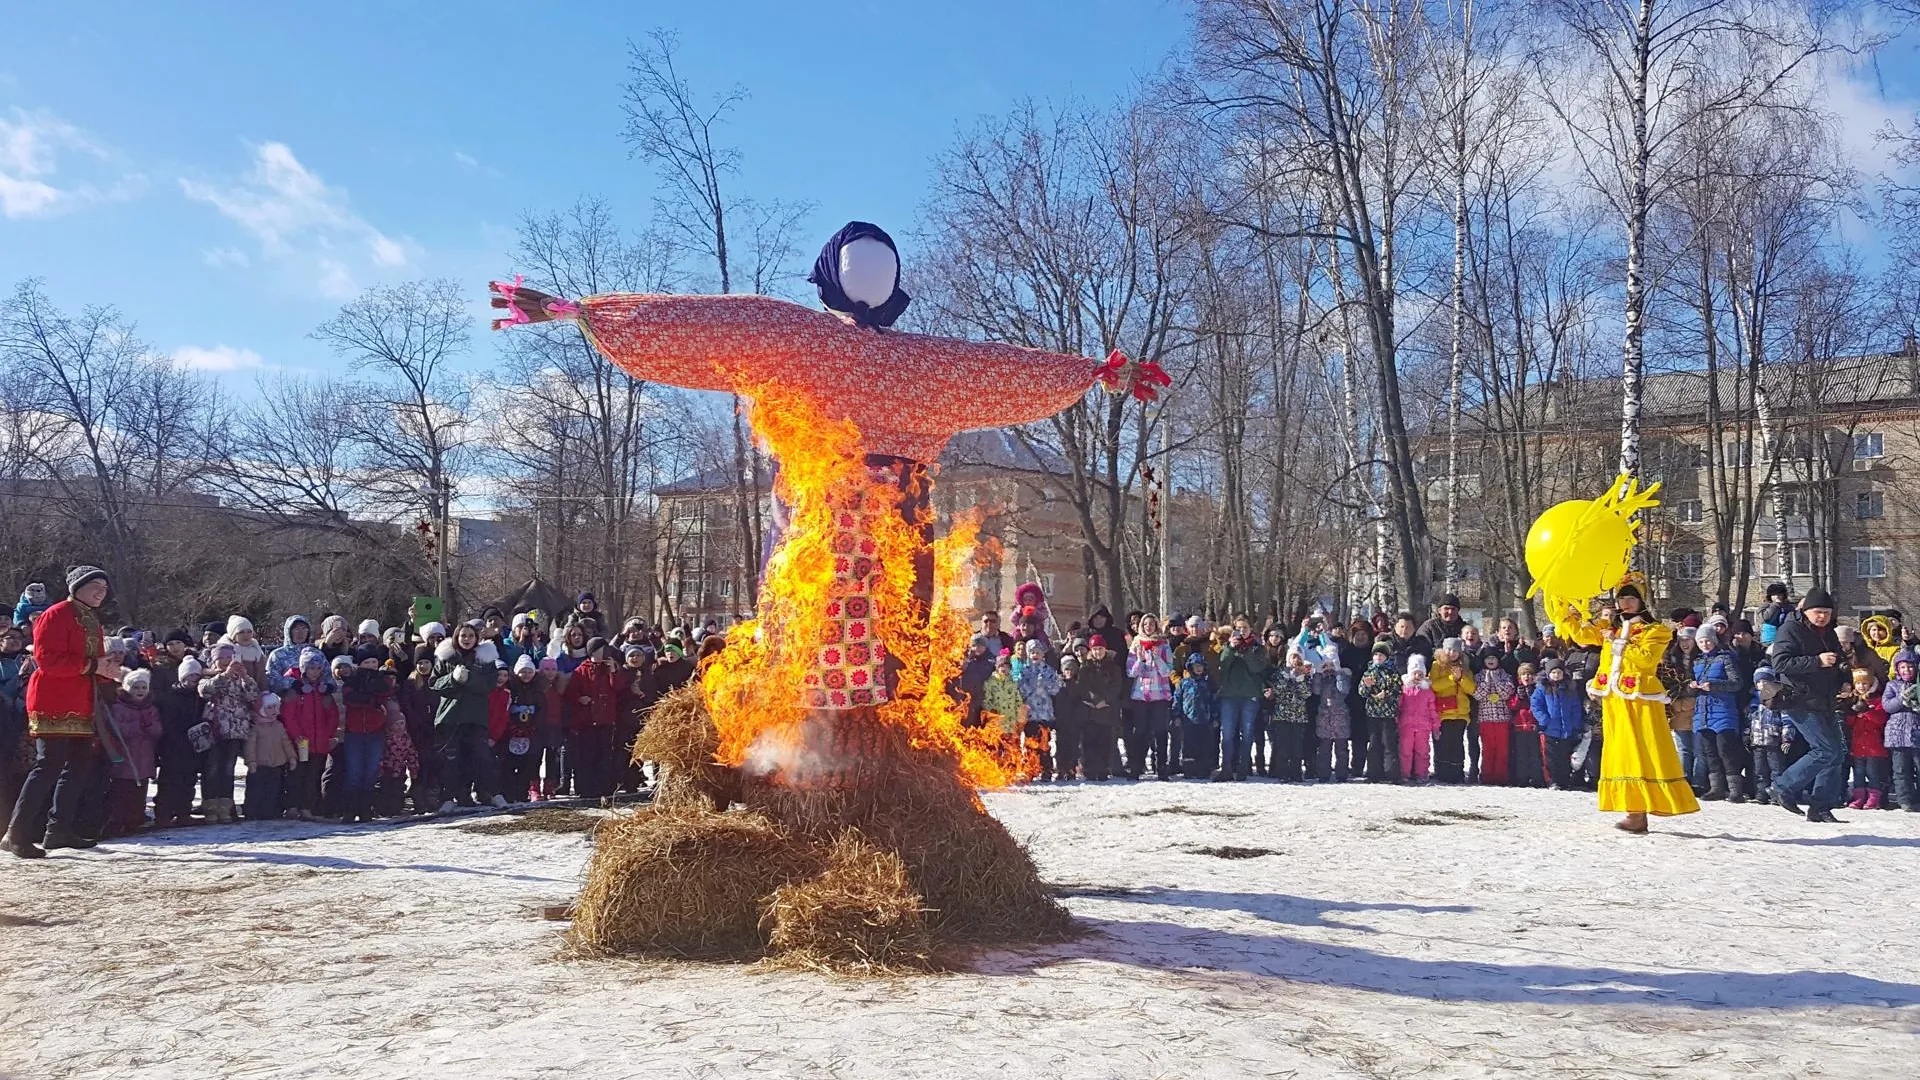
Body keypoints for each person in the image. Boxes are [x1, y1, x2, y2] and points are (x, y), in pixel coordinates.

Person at [1558, 579, 1699, 833]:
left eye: (1631, 598)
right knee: (1621, 752)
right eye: (1622, 598)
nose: (1626, 603)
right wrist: (1565, 609)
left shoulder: (1655, 630)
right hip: (1615, 699)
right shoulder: (1608, 625)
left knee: (1643, 750)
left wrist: (1617, 641)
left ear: (1641, 600)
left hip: (1641, 699)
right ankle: (1633, 810)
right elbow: (1581, 635)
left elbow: (1646, 659)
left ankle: (1644, 808)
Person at [6, 566, 121, 858]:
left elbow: (91, 661)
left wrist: (110, 673)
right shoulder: (55, 614)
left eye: (104, 588)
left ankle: (58, 830)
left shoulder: (90, 619)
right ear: (76, 587)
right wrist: (95, 667)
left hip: (80, 699)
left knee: (79, 764)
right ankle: (16, 832)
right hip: (53, 698)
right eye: (94, 585)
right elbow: (48, 660)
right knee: (49, 765)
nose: (100, 592)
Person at [1766, 588, 1850, 823]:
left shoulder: (1829, 633)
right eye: (1817, 612)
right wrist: (1816, 661)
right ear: (1805, 610)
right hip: (1799, 699)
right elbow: (1780, 663)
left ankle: (1820, 807)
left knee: (1836, 754)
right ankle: (1782, 786)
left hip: (1824, 699)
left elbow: (1840, 661)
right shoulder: (1790, 629)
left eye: (1826, 612)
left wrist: (1845, 681)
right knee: (1825, 750)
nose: (1822, 616)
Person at [433, 625, 505, 812]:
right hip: (451, 716)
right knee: (450, 761)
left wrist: (469, 679)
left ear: (476, 638)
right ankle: (448, 797)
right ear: (457, 637)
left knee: (482, 758)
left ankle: (494, 794)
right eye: (463, 635)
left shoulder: (485, 659)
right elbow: (434, 684)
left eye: (471, 635)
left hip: (475, 718)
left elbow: (489, 684)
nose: (467, 639)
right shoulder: (445, 657)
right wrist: (453, 679)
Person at [197, 644, 256, 826]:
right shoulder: (207, 677)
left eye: (229, 657)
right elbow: (204, 691)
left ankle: (226, 807)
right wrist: (224, 675)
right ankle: (210, 807)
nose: (226, 661)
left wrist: (245, 677)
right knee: (212, 769)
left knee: (228, 769)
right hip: (215, 731)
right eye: (221, 658)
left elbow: (253, 696)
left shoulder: (241, 680)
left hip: (235, 731)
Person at [1689, 624, 1747, 802]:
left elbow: (1737, 683)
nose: (1705, 644)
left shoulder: (1725, 659)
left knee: (1726, 751)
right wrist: (1691, 687)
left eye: (1707, 640)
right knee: (1709, 752)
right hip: (1703, 712)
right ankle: (1716, 788)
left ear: (1714, 641)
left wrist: (1714, 686)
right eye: (1701, 641)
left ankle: (1735, 790)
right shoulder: (1697, 661)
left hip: (1723, 711)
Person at [338, 645, 394, 822]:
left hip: (375, 730)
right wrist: (369, 698)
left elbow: (385, 692)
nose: (371, 665)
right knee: (354, 771)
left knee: (371, 771)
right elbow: (351, 699)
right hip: (354, 731)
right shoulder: (352, 680)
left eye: (374, 662)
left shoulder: (381, 679)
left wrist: (370, 695)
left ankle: (365, 809)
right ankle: (349, 809)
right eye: (367, 662)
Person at [103, 668, 161, 836]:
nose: (140, 691)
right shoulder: (119, 708)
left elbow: (158, 730)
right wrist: (138, 726)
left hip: (144, 757)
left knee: (140, 790)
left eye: (143, 687)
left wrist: (149, 726)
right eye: (136, 687)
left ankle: (135, 820)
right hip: (126, 756)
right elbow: (116, 728)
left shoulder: (151, 709)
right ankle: (117, 820)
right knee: (122, 790)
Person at [152, 656, 205, 828]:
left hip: (191, 744)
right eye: (190, 676)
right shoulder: (170, 697)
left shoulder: (199, 698)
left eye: (197, 677)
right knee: (168, 781)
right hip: (172, 744)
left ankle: (184, 812)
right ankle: (163, 814)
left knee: (188, 780)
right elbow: (166, 721)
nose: (194, 680)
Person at [1215, 618, 1270, 782]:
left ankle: (1243, 769)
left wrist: (1245, 651)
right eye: (1238, 628)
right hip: (1229, 696)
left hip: (1250, 695)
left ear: (1250, 629)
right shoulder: (1227, 647)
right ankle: (1226, 769)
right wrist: (1232, 648)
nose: (1241, 631)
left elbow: (1257, 668)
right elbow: (1223, 665)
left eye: (1244, 628)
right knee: (1228, 734)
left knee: (1247, 734)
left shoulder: (1257, 648)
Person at [1126, 615, 1175, 779]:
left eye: (1151, 624)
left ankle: (1162, 767)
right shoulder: (1136, 643)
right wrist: (1140, 660)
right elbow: (1131, 671)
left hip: (1159, 694)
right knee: (1140, 732)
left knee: (1161, 732)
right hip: (1141, 695)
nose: (1148, 627)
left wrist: (1157, 658)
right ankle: (1136, 767)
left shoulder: (1163, 644)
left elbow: (1168, 671)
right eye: (1145, 624)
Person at [1077, 636, 1127, 781]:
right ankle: (1090, 769)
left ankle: (1104, 768)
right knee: (1089, 741)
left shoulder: (1113, 667)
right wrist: (1095, 699)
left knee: (1105, 741)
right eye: (1095, 649)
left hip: (1107, 709)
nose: (1098, 652)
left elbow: (1117, 686)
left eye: (1100, 649)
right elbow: (1082, 686)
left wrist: (1106, 700)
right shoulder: (1085, 667)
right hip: (1090, 709)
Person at [243, 693, 297, 821]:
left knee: (273, 790)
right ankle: (251, 811)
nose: (274, 711)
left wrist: (292, 757)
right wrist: (251, 761)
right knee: (255, 789)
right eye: (270, 707)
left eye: (276, 707)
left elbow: (286, 742)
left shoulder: (278, 726)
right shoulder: (256, 727)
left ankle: (270, 811)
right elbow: (250, 746)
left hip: (277, 764)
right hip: (260, 764)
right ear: (262, 709)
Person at [1015, 639, 1062, 781]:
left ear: (1043, 654)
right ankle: (1031, 769)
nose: (1035, 655)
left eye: (1038, 652)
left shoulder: (1049, 671)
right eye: (1032, 652)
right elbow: (1020, 691)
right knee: (1030, 743)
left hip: (1045, 713)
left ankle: (1046, 770)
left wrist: (1045, 685)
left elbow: (1056, 690)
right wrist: (1032, 686)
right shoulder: (1024, 671)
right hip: (1030, 713)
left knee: (1044, 743)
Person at [1845, 668, 1890, 810]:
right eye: (1858, 684)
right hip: (1858, 746)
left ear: (1870, 685)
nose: (1861, 687)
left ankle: (1874, 798)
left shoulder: (1877, 701)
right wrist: (1853, 713)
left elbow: (1881, 719)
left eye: (1865, 683)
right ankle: (1859, 797)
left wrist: (1867, 711)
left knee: (1873, 773)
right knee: (1858, 773)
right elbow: (1849, 723)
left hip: (1874, 746)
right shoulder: (1853, 700)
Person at [1430, 639, 1475, 784]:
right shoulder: (1437, 665)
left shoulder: (1465, 667)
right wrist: (1451, 679)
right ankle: (1442, 772)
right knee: (1443, 743)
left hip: (1461, 713)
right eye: (1449, 650)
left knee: (1457, 744)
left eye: (1455, 651)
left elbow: (1472, 689)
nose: (1451, 653)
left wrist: (1461, 678)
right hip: (1444, 712)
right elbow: (1434, 686)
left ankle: (1457, 772)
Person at [1359, 641, 1401, 782]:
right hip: (1372, 713)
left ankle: (1392, 773)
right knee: (1374, 743)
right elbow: (1362, 692)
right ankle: (1373, 773)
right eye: (1376, 654)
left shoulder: (1392, 672)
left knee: (1389, 743)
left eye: (1381, 655)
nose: (1378, 657)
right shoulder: (1368, 672)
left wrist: (1386, 694)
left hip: (1388, 713)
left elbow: (1398, 690)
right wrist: (1368, 687)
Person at [1884, 650, 1920, 812]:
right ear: (1897, 669)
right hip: (1896, 735)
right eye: (1903, 667)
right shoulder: (1892, 685)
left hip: (1916, 734)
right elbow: (1888, 706)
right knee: (1900, 770)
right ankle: (1905, 800)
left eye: (1910, 667)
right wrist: (1902, 698)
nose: (1907, 670)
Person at [1471, 651, 1514, 786]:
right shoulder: (1479, 676)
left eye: (1493, 657)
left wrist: (1496, 681)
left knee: (1502, 749)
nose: (1490, 660)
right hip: (1485, 718)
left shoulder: (1505, 675)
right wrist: (1487, 682)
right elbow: (1477, 695)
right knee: (1488, 748)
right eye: (1488, 658)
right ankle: (1487, 776)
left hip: (1502, 718)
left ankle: (1501, 777)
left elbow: (1507, 693)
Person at [1171, 653, 1216, 782]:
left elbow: (1214, 701)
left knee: (1205, 745)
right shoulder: (1184, 683)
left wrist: (1214, 718)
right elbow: (1177, 700)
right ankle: (1189, 769)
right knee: (1188, 746)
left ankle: (1204, 769)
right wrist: (1176, 716)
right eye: (1196, 666)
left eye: (1200, 666)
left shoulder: (1208, 683)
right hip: (1188, 720)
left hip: (1205, 720)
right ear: (1190, 667)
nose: (1198, 668)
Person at [1397, 654, 1439, 783]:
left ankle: (1421, 773)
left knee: (1423, 750)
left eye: (1420, 674)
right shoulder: (1405, 689)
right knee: (1405, 750)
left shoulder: (1427, 692)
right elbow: (1398, 706)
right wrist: (1396, 720)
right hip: (1406, 725)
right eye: (1415, 674)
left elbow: (1433, 710)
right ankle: (1405, 773)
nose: (1417, 677)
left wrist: (1436, 727)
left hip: (1423, 726)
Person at [1510, 663, 1546, 788]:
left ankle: (1537, 778)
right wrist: (1519, 698)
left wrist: (1531, 696)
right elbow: (1512, 706)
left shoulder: (1538, 690)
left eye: (1530, 674)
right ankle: (1522, 779)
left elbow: (1539, 706)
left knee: (1535, 754)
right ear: (1519, 678)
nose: (1527, 677)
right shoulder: (1516, 690)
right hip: (1520, 726)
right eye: (1524, 674)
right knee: (1521, 755)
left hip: (1533, 727)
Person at [1052, 654, 1087, 780]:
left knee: (1073, 746)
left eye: (1071, 670)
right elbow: (1054, 701)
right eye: (1067, 670)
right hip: (1061, 720)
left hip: (1074, 721)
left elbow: (1081, 702)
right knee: (1060, 746)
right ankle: (1061, 769)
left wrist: (1080, 717)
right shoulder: (1058, 684)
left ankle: (1071, 769)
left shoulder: (1078, 685)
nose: (1069, 672)